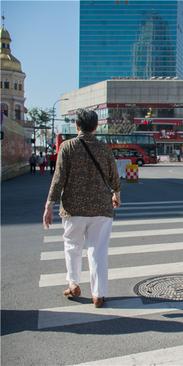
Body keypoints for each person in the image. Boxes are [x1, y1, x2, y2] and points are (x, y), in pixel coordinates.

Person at [43, 109, 121, 308]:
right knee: (98, 251)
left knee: (72, 247)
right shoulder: (104, 148)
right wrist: (116, 194)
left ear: (77, 125)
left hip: (72, 208)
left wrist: (49, 204)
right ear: (96, 127)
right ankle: (99, 295)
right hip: (101, 208)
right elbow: (114, 177)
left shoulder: (67, 147)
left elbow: (58, 178)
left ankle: (74, 284)